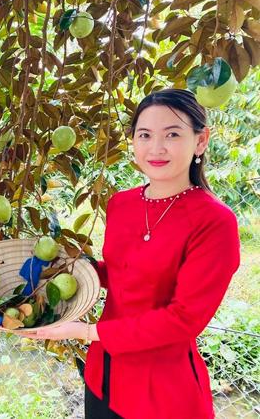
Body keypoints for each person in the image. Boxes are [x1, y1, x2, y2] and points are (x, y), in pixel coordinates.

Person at [16, 89, 240, 419]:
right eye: (145, 135)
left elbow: (183, 319)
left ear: (201, 140)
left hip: (161, 389)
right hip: (104, 374)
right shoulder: (122, 204)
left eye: (172, 134)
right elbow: (123, 273)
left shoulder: (214, 221)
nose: (156, 147)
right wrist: (69, 268)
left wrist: (87, 332)